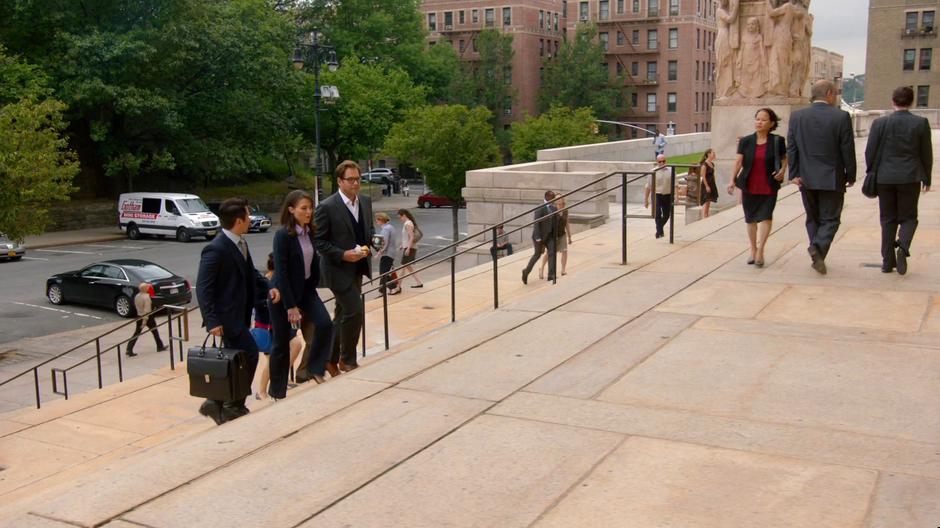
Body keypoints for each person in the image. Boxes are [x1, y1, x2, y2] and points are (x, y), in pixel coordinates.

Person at [196, 197, 279, 425]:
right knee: (249, 354)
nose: (251, 218)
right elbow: (204, 288)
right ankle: (233, 404)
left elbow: (250, 273)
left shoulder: (240, 243)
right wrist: (212, 320)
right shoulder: (215, 249)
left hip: (240, 314)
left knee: (234, 360)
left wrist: (268, 289)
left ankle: (216, 402)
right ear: (239, 220)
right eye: (248, 215)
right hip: (225, 317)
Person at [787, 79, 856, 275]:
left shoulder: (797, 117)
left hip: (806, 177)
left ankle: (817, 252)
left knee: (813, 217)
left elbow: (791, 147)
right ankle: (817, 247)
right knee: (831, 219)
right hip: (832, 177)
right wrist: (850, 175)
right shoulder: (841, 117)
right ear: (829, 94)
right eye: (835, 93)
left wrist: (794, 174)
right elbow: (847, 149)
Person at [269, 190, 333, 398]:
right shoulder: (282, 236)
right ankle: (277, 391)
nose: (309, 212)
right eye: (303, 208)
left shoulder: (310, 232)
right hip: (284, 295)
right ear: (291, 210)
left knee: (325, 323)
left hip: (306, 289)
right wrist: (291, 306)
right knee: (281, 344)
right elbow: (282, 271)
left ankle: (315, 368)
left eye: (310, 208)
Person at [314, 161, 374, 375]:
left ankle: (328, 359)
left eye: (358, 179)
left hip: (359, 266)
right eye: (351, 179)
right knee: (354, 310)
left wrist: (370, 244)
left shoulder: (365, 202)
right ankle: (347, 360)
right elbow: (319, 242)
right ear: (339, 181)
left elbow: (368, 229)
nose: (356, 183)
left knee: (342, 314)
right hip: (337, 270)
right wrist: (342, 254)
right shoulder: (327, 207)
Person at [865, 86, 933, 275]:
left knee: (887, 219)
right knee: (909, 217)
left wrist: (872, 172)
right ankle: (903, 246)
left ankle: (887, 262)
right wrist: (926, 177)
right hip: (910, 177)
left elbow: (870, 152)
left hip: (885, 178)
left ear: (892, 101)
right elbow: (926, 153)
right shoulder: (920, 123)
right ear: (911, 102)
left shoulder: (879, 124)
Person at [726, 108, 788, 267]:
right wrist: (732, 180)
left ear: (771, 123)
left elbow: (784, 160)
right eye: (757, 119)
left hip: (768, 185)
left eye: (763, 120)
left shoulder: (777, 141)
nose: (759, 122)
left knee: (766, 216)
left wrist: (782, 171)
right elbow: (738, 162)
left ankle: (761, 250)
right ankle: (753, 249)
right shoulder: (746, 141)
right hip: (749, 184)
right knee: (751, 218)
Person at [522, 190, 557, 284]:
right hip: (539, 236)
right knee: (537, 255)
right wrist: (538, 237)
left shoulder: (554, 208)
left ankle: (551, 275)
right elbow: (536, 222)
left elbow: (554, 223)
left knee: (552, 253)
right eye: (552, 197)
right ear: (547, 197)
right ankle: (526, 272)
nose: (554, 199)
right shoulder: (540, 207)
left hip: (549, 236)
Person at [126, 282, 166, 357]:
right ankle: (160, 346)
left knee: (136, 333)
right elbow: (147, 310)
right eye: (147, 287)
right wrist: (145, 321)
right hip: (147, 317)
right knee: (155, 331)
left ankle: (129, 348)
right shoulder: (147, 297)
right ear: (145, 289)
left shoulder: (137, 296)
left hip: (139, 315)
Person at [541, 195, 572, 277]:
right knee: (549, 253)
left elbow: (567, 224)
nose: (559, 200)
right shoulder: (552, 210)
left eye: (560, 198)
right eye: (557, 199)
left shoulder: (565, 210)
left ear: (563, 200)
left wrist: (569, 236)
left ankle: (563, 270)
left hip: (562, 234)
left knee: (564, 251)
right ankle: (542, 268)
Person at [644, 154, 673, 239]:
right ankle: (660, 232)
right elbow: (648, 186)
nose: (662, 163)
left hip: (667, 194)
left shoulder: (671, 170)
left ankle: (659, 230)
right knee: (657, 213)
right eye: (660, 161)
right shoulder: (653, 171)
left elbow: (675, 184)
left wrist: (677, 196)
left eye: (664, 161)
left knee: (667, 214)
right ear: (657, 162)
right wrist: (646, 199)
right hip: (657, 194)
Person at [374, 212, 401, 295]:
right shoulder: (390, 227)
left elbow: (384, 243)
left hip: (387, 254)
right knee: (384, 272)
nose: (376, 222)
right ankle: (381, 290)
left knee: (383, 273)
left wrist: (379, 253)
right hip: (391, 253)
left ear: (381, 220)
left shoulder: (385, 229)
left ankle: (394, 287)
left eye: (377, 220)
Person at [397, 208, 424, 288]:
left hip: (410, 248)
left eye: (400, 217)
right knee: (407, 267)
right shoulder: (408, 223)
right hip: (409, 247)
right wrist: (403, 245)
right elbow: (407, 238)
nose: (400, 219)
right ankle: (419, 282)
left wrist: (408, 248)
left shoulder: (408, 224)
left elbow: (411, 237)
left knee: (403, 267)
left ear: (404, 215)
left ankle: (398, 286)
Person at [699, 149, 718, 218]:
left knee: (709, 201)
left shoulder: (712, 164)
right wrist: (706, 186)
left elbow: (713, 175)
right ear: (709, 154)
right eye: (713, 153)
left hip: (711, 184)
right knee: (706, 201)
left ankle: (706, 215)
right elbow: (703, 176)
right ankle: (704, 216)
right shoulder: (705, 165)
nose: (714, 154)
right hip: (706, 184)